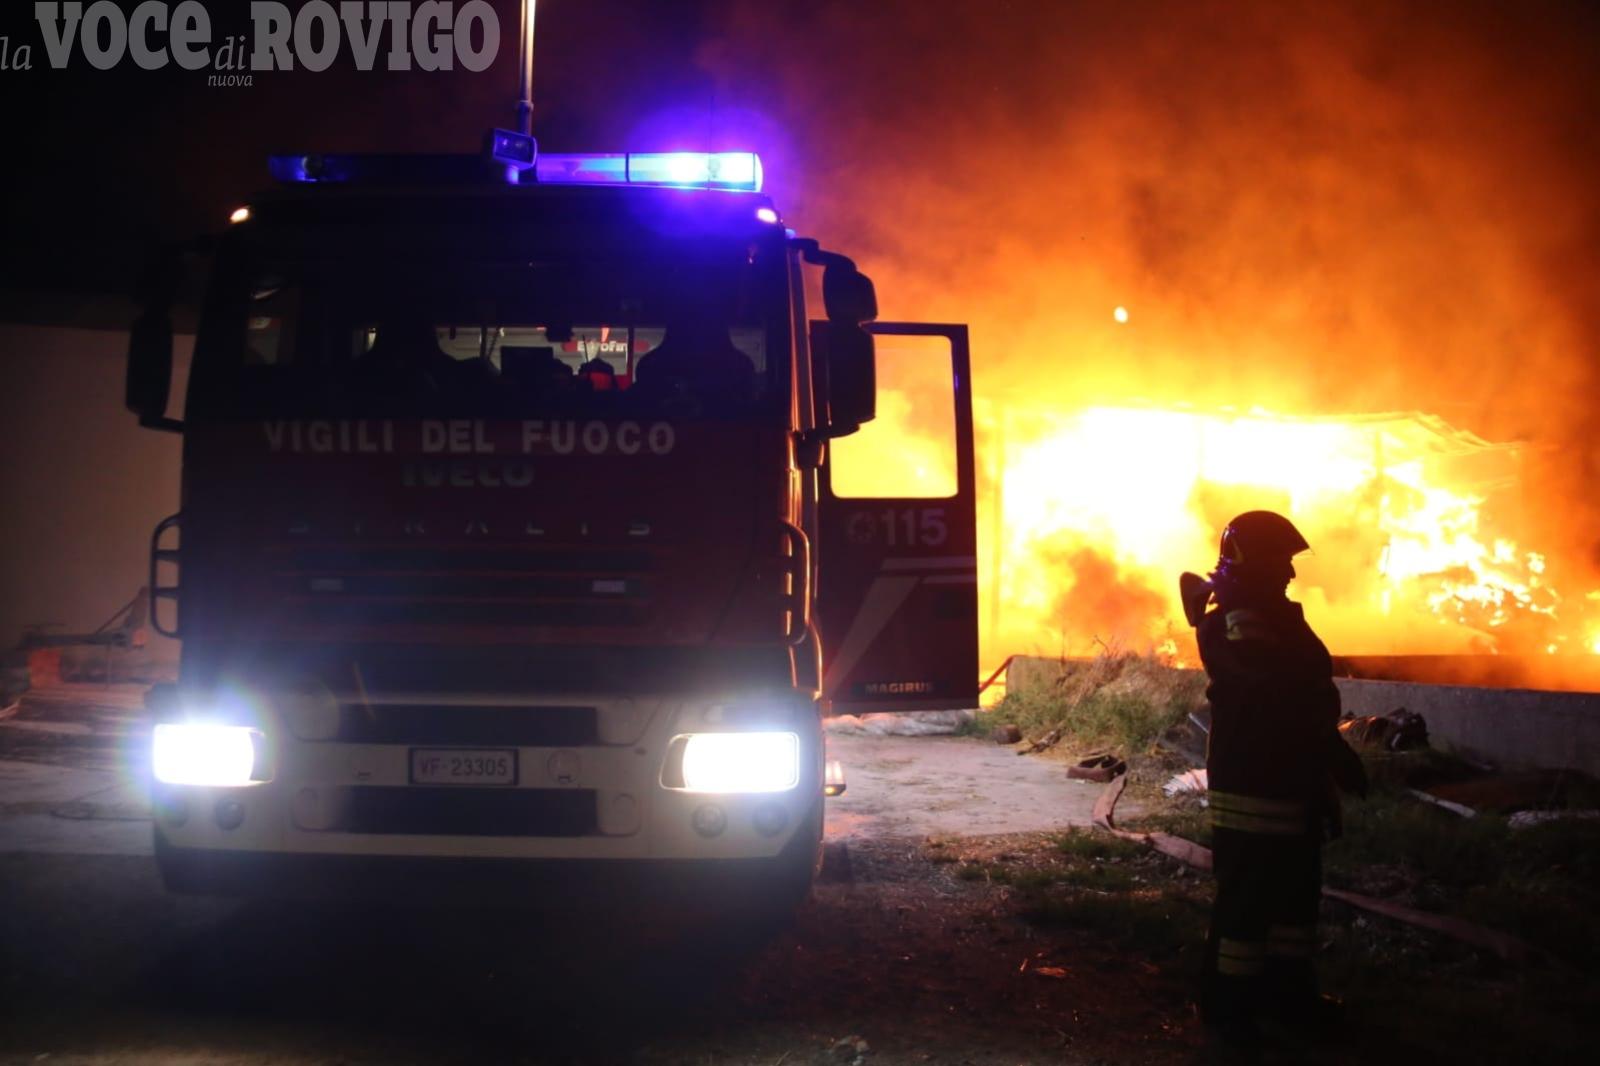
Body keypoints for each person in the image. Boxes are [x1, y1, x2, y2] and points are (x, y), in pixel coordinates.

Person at [1189, 510, 1366, 1047]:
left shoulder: (1272, 615)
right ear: (1249, 560)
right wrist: (1326, 747)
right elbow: (1277, 692)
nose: (1290, 572)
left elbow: (1303, 694)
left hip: (1292, 777)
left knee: (1295, 901)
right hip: (1255, 781)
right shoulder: (1238, 620)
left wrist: (1327, 758)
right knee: (1247, 903)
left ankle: (1289, 997)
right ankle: (1228, 1011)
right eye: (1281, 560)